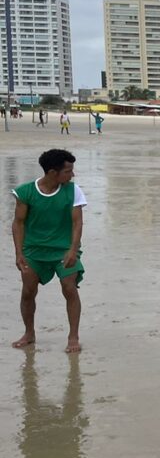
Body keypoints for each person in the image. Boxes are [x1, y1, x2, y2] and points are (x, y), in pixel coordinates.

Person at [11, 149, 86, 353]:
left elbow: (77, 223)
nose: (72, 175)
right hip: (33, 250)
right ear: (53, 172)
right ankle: (29, 333)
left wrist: (73, 250)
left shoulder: (73, 191)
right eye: (68, 171)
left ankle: (73, 337)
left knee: (69, 288)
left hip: (63, 249)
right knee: (28, 291)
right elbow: (18, 223)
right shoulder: (25, 192)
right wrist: (19, 253)